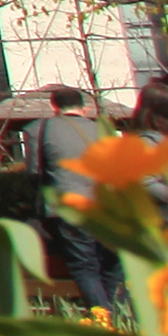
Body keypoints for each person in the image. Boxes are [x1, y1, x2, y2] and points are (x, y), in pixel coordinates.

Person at [31, 79, 115, 305]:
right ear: (84, 106)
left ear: (54, 107)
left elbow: (34, 171)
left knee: (84, 265)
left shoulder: (43, 128)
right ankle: (120, 318)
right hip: (106, 207)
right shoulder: (104, 129)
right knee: (111, 264)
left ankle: (103, 318)